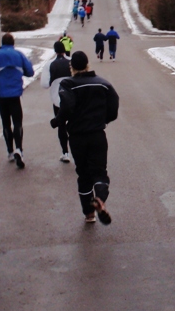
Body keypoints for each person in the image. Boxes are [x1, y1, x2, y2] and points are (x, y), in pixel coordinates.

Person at [51, 51, 119, 225]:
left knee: (83, 174)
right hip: (97, 134)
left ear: (71, 67)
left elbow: (66, 106)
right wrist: (104, 119)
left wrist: (57, 121)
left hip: (77, 137)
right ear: (88, 64)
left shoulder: (68, 84)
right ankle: (100, 200)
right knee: (99, 172)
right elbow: (114, 105)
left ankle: (89, 214)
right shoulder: (103, 84)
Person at [0, 34, 34, 169]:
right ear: (13, 43)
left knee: (6, 123)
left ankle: (10, 151)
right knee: (17, 122)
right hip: (15, 93)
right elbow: (30, 71)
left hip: (1, 93)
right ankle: (19, 149)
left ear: (2, 42)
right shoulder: (19, 54)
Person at [41, 42, 73, 162]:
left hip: (57, 100)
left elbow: (44, 84)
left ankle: (65, 152)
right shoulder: (71, 61)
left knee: (61, 125)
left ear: (54, 50)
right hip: (72, 99)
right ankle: (77, 150)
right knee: (74, 124)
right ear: (65, 50)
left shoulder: (50, 64)